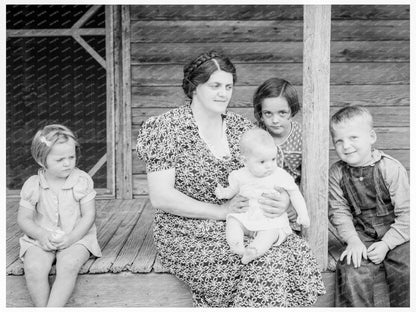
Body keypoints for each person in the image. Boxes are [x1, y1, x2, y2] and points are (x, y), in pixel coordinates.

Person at [136, 50, 325, 307]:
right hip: (186, 231)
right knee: (267, 263)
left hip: (245, 221)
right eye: (215, 86)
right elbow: (161, 197)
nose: (223, 93)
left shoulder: (241, 128)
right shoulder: (166, 128)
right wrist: (221, 211)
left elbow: (265, 173)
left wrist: (283, 201)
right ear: (194, 87)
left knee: (287, 253)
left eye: (228, 86)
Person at [328, 105, 409, 307]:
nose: (346, 146)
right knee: (349, 268)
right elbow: (339, 212)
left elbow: (408, 215)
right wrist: (353, 241)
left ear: (371, 137)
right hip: (361, 234)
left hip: (397, 233)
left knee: (408, 267)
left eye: (353, 138)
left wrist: (386, 244)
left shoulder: (390, 168)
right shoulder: (336, 172)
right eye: (339, 141)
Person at [17, 124, 102, 307]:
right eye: (60, 159)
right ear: (42, 160)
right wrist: (41, 234)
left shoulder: (81, 180)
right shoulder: (33, 185)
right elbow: (24, 219)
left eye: (71, 157)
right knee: (34, 267)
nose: (67, 163)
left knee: (69, 264)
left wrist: (72, 237)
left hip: (77, 237)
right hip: (41, 239)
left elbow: (89, 215)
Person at [215, 128, 310, 264]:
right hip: (247, 215)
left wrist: (303, 214)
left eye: (273, 159)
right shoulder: (240, 175)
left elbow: (295, 193)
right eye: (262, 162)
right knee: (233, 221)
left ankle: (254, 250)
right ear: (245, 161)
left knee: (271, 233)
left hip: (269, 218)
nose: (269, 166)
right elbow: (232, 190)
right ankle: (236, 245)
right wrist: (223, 193)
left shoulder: (279, 175)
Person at [253, 77, 302, 184]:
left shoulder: (302, 136)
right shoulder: (254, 134)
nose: (275, 120)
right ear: (260, 113)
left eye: (282, 113)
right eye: (268, 113)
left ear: (292, 110)